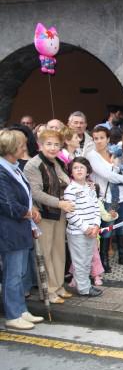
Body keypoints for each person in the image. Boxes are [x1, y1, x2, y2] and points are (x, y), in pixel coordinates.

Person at [0, 129, 45, 330]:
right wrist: (29, 213)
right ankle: (13, 314)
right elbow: (8, 205)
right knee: (12, 274)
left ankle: (20, 309)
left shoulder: (13, 168)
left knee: (18, 272)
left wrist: (31, 209)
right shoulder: (2, 171)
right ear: (11, 149)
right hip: (9, 230)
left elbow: (24, 195)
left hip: (20, 227)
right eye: (21, 146)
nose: (24, 148)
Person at [24, 128, 74, 304]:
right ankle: (49, 291)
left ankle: (59, 286)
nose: (53, 148)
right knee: (45, 254)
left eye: (56, 145)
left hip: (59, 214)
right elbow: (36, 193)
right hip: (43, 215)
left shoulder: (57, 162)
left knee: (59, 252)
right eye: (49, 144)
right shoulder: (33, 164)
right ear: (40, 145)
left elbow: (66, 183)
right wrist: (59, 203)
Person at [87, 126, 123, 270]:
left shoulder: (116, 153)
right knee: (107, 228)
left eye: (102, 138)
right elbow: (107, 175)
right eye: (96, 138)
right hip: (107, 197)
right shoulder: (92, 155)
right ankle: (104, 260)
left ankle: (122, 256)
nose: (99, 141)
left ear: (108, 139)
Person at [64, 157, 102, 297]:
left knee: (87, 260)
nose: (79, 170)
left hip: (92, 231)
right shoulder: (70, 190)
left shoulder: (90, 188)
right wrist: (86, 228)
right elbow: (70, 214)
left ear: (88, 171)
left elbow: (96, 208)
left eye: (82, 167)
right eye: (75, 168)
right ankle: (84, 289)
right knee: (80, 261)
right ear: (71, 172)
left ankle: (85, 284)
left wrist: (96, 225)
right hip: (77, 233)